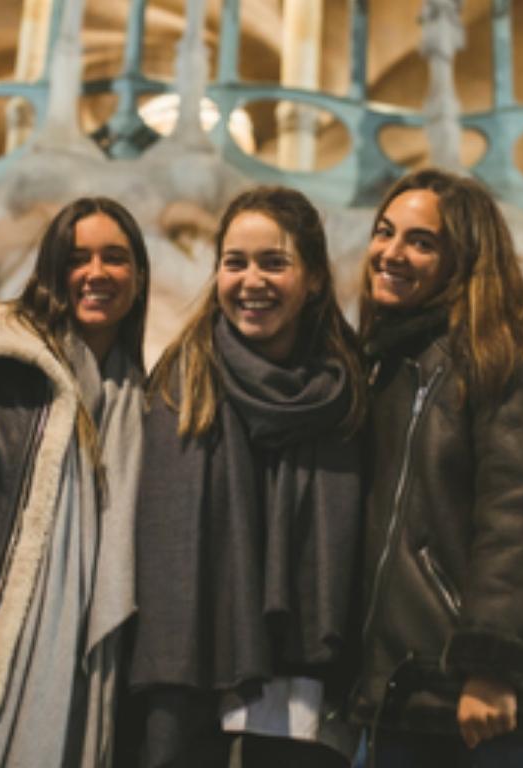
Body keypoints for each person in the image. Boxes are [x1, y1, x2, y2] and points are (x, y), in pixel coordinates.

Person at [127, 187, 367, 767]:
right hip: (190, 672)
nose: (251, 280)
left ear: (312, 278)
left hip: (307, 681)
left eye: (274, 262)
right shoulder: (181, 382)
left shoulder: (349, 390)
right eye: (235, 262)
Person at [349, 169, 523, 767]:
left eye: (422, 242)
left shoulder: (497, 357)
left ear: (466, 259)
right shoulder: (395, 363)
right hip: (412, 695)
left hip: (478, 704)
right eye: (384, 232)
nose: (391, 253)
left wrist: (492, 666)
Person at [0, 198, 149, 767]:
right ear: (51, 269)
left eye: (114, 258)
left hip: (82, 657)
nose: (95, 273)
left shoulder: (138, 399)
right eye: (77, 258)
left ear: (138, 277)